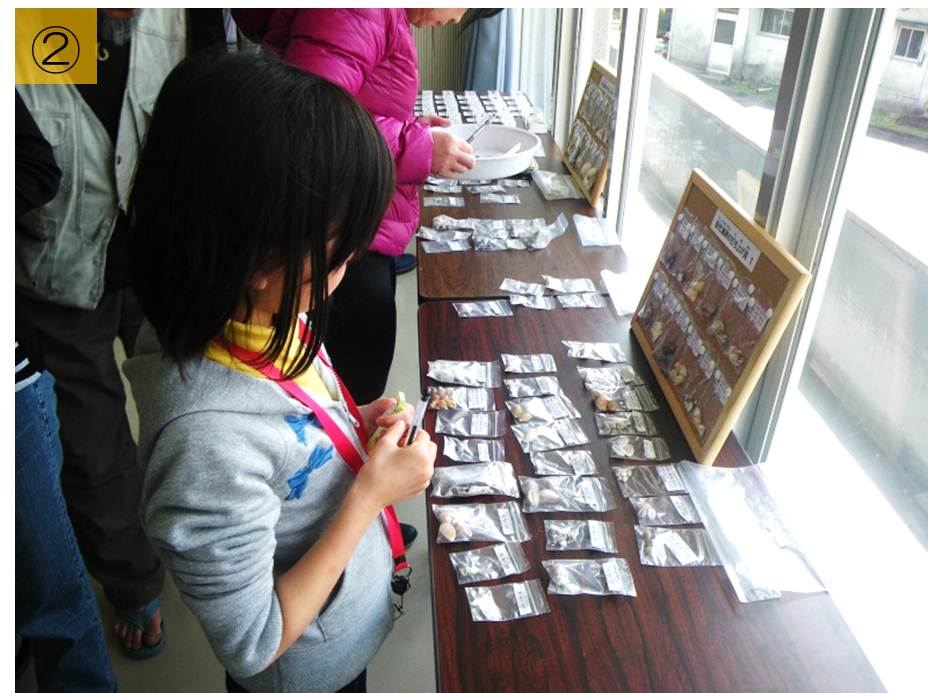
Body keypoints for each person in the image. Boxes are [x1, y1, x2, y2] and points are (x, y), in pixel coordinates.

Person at [123, 52, 437, 693]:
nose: (351, 263)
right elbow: (254, 642)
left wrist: (353, 426)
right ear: (259, 260)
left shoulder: (252, 314)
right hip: (306, 671)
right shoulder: (203, 444)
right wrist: (369, 495)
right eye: (340, 252)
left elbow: (286, 423)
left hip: (342, 622)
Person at [15, 8, 194, 659]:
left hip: (161, 252)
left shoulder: (175, 16)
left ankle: (208, 542)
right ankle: (133, 579)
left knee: (192, 400)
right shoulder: (29, 26)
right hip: (59, 270)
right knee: (91, 440)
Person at [233, 8, 484, 406]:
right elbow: (312, 120)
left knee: (353, 387)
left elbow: (347, 103)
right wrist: (416, 146)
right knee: (351, 385)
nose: (456, 19)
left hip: (356, 220)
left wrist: (412, 128)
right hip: (341, 224)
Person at [15, 91, 117, 692]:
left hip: (123, 239)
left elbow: (38, 165)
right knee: (93, 428)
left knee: (47, 568)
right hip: (66, 266)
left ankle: (134, 586)